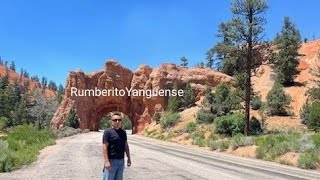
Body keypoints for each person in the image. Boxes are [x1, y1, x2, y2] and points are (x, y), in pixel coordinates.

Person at [102, 112, 131, 180]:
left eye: (119, 120)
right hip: (111, 161)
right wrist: (106, 161)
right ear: (111, 121)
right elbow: (104, 147)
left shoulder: (123, 132)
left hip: (121, 161)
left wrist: (129, 158)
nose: (117, 121)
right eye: (115, 120)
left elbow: (126, 145)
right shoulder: (108, 132)